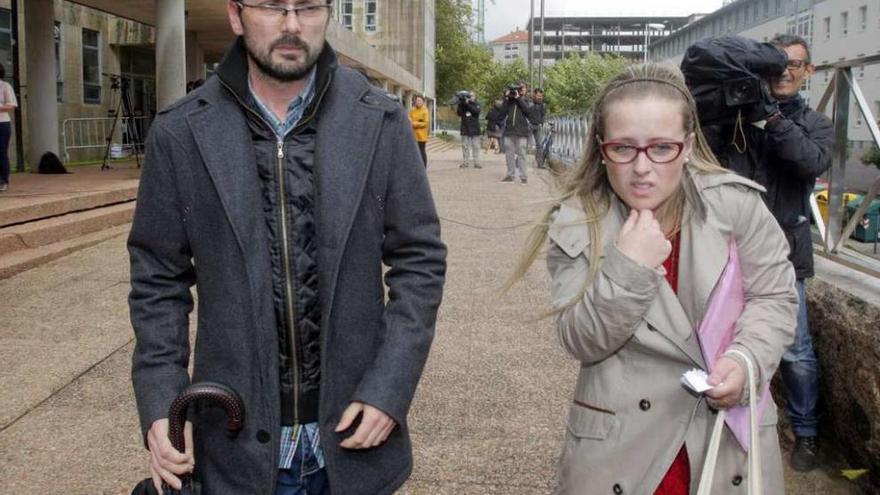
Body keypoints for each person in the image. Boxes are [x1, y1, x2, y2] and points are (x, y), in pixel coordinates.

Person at [127, 1, 447, 494]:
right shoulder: (181, 130)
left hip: (351, 439)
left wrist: (390, 387)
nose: (293, 24)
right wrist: (161, 401)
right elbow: (156, 280)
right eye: (274, 6)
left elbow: (419, 259)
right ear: (236, 15)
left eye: (309, 7)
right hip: (230, 445)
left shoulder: (381, 120)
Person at [508, 63, 797, 494]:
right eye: (623, 148)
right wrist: (630, 266)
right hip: (624, 444)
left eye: (661, 148)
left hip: (723, 435)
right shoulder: (577, 220)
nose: (642, 168)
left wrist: (745, 359)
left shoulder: (738, 208)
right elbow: (580, 339)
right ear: (602, 149)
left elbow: (774, 296)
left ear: (688, 146)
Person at [694, 34, 832, 472]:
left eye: (794, 65)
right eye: (776, 66)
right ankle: (729, 416)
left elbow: (810, 161)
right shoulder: (735, 113)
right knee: (722, 338)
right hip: (728, 251)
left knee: (795, 349)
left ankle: (806, 433)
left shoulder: (813, 122)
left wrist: (768, 116)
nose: (784, 72)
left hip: (787, 254)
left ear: (808, 71)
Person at [500, 83, 533, 184]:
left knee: (522, 154)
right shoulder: (509, 102)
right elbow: (501, 113)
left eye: (521, 89)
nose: (518, 91)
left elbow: (528, 112)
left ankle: (523, 177)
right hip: (509, 131)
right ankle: (510, 175)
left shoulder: (527, 101)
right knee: (509, 154)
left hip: (521, 132)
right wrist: (506, 98)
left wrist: (519, 98)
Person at [0, 64, 17, 192]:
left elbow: (11, 105)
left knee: (1, 152)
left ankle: (3, 180)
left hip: (2, 123)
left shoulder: (5, 86)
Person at [456, 90, 481, 168]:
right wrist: (461, 103)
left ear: (475, 97)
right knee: (465, 146)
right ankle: (465, 162)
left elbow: (475, 111)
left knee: (475, 146)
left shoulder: (477, 104)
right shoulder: (463, 104)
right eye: (469, 96)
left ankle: (476, 162)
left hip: (475, 128)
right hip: (465, 128)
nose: (470, 97)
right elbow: (459, 113)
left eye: (472, 96)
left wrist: (467, 103)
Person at [409, 95, 430, 166]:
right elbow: (409, 119)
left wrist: (415, 123)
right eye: (417, 100)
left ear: (423, 102)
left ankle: (424, 166)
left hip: (421, 136)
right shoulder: (412, 110)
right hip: (413, 135)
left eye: (419, 100)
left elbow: (426, 123)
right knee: (414, 152)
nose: (418, 102)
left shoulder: (425, 110)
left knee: (421, 151)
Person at [529, 88, 547, 169]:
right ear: (534, 95)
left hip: (538, 126)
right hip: (529, 125)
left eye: (541, 96)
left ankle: (540, 164)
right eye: (538, 95)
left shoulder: (543, 105)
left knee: (540, 145)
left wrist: (542, 123)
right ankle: (518, 162)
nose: (540, 97)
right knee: (524, 145)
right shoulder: (529, 104)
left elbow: (543, 115)